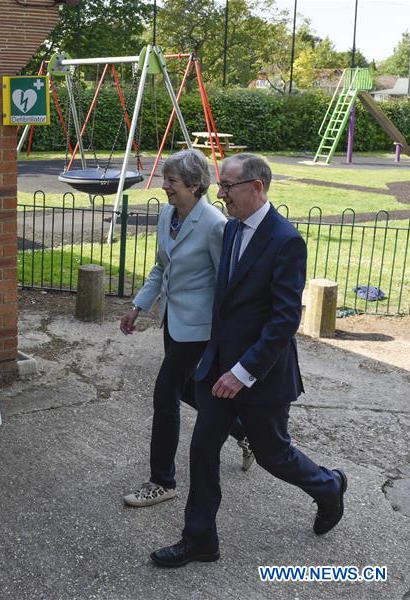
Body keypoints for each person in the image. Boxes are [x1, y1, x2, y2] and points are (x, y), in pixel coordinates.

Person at [150, 153, 347, 567]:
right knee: (203, 450)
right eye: (220, 186)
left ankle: (328, 486)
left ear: (256, 187)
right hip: (219, 368)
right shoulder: (231, 230)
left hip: (261, 375)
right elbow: (221, 302)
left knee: (274, 455)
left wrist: (242, 373)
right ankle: (200, 540)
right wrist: (210, 360)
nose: (220, 194)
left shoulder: (285, 240)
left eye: (228, 186)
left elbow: (284, 321)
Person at [120, 149, 253, 509]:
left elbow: (225, 283)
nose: (164, 186)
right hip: (172, 321)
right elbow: (161, 267)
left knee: (165, 394)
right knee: (189, 389)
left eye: (172, 181)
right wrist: (138, 306)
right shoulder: (168, 215)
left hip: (199, 329)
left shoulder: (214, 224)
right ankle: (245, 431)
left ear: (194, 186)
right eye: (164, 179)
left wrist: (226, 335)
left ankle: (162, 481)